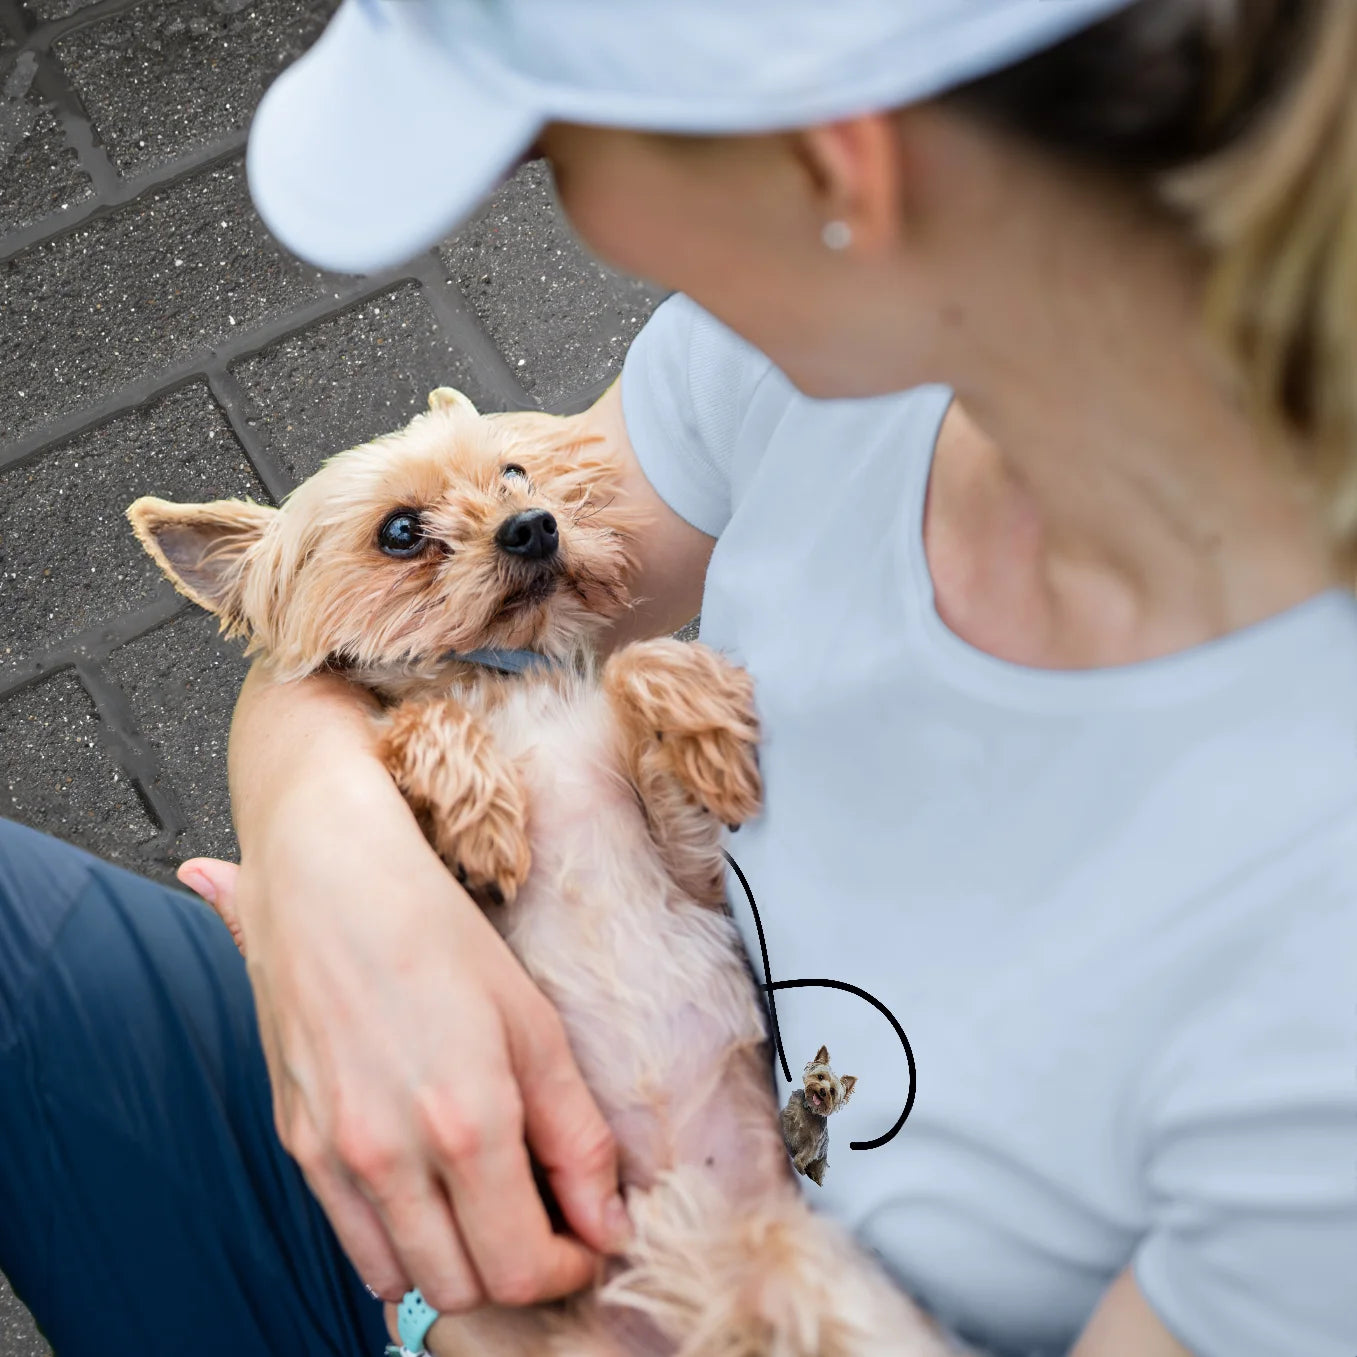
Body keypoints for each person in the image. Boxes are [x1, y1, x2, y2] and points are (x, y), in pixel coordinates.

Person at [2, 0, 1354, 1354]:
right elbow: (371, 619)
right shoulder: (794, 361)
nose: (580, 225)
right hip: (421, 1120)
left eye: (554, 156)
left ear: (835, 170)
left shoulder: (1311, 1007)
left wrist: (477, 1322)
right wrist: (324, 855)